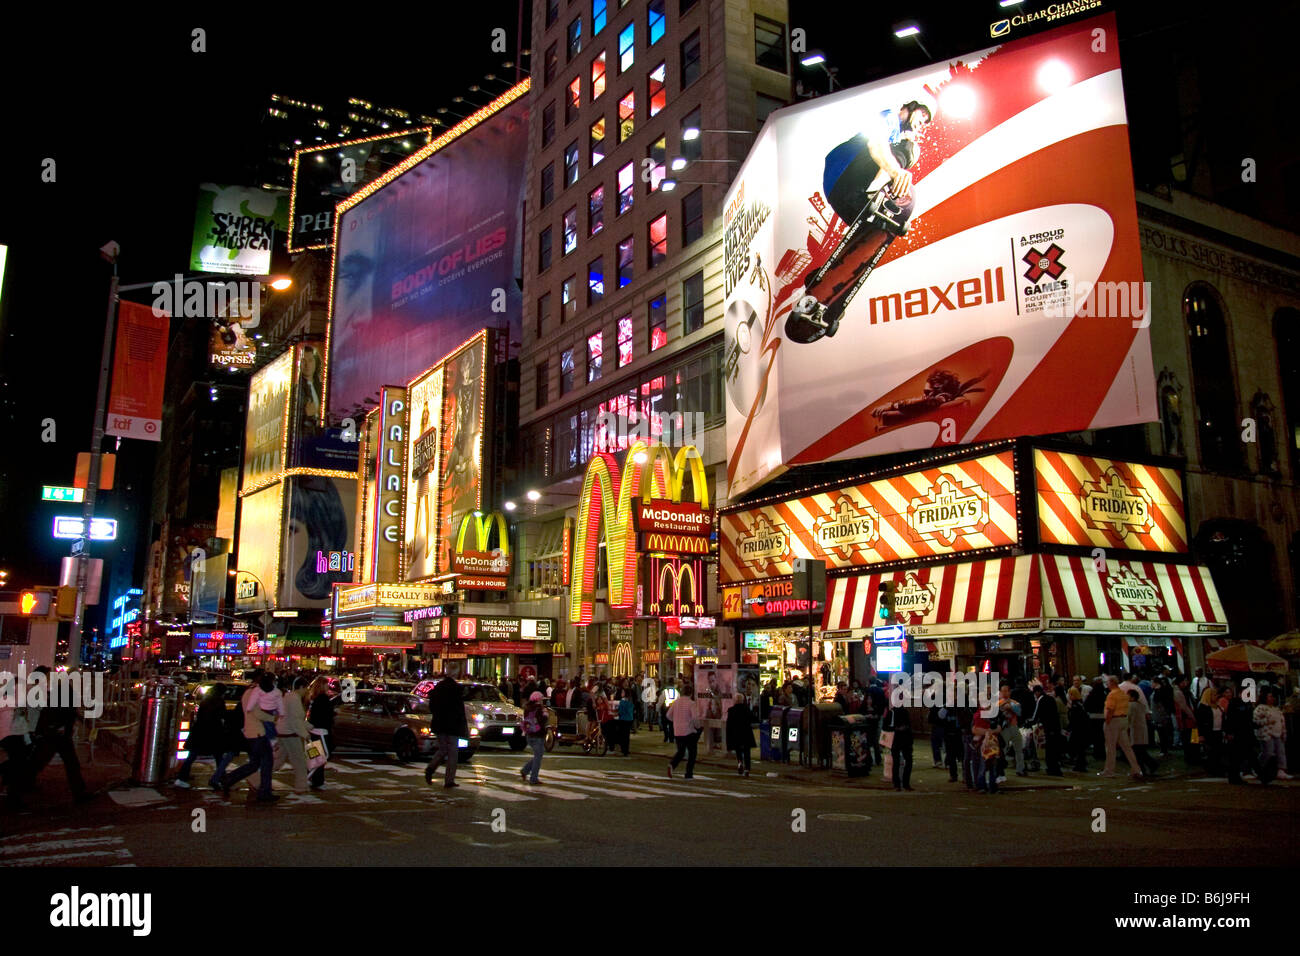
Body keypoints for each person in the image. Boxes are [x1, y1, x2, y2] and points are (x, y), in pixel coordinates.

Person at [789, 95, 934, 337]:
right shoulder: (888, 118)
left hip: (844, 198)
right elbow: (876, 146)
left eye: (927, 122)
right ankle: (873, 195)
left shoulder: (899, 136)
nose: (923, 123)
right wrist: (896, 171)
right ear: (907, 108)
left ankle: (822, 285)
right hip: (847, 177)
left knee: (865, 239)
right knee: (910, 151)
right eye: (922, 115)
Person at [221, 672, 281, 803]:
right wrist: (273, 718)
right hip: (258, 733)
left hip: (251, 732)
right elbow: (258, 713)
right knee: (266, 762)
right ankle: (264, 792)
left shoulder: (249, 692)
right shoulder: (255, 693)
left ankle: (229, 779)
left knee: (255, 764)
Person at [174, 683, 233, 790]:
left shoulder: (207, 700)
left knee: (194, 755)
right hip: (211, 732)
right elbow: (222, 715)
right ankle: (220, 778)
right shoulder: (218, 701)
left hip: (200, 731)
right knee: (218, 755)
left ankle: (182, 777)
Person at [424, 673, 468, 789]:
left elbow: (432, 707)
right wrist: (463, 727)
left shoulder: (438, 689)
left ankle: (431, 768)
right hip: (452, 725)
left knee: (443, 749)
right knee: (453, 752)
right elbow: (460, 711)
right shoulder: (456, 690)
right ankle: (449, 780)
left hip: (439, 724)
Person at [270, 677, 312, 794]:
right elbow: (296, 720)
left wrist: (308, 727)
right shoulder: (294, 699)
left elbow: (293, 718)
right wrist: (306, 733)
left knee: (278, 760)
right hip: (290, 734)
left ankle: (257, 778)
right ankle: (301, 786)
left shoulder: (288, 697)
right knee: (299, 762)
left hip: (283, 731)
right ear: (301, 687)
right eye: (306, 689)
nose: (307, 692)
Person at [1101, 676, 1142, 780]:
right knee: (1127, 747)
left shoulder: (1112, 695)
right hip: (1123, 720)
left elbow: (1110, 709)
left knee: (1110, 747)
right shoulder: (1123, 694)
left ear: (1111, 683)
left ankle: (1109, 770)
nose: (1107, 684)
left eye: (1107, 682)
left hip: (1113, 720)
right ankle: (1136, 769)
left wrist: (1107, 721)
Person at [306, 676, 334, 791]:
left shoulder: (313, 699)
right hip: (321, 731)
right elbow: (327, 716)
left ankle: (314, 778)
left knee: (315, 756)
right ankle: (315, 779)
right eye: (327, 684)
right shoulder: (323, 699)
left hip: (313, 731)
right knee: (322, 757)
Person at [1254, 690, 1290, 780]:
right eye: (1269, 697)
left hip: (1278, 733)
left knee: (1280, 752)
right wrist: (1267, 721)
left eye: (1272, 697)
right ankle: (1258, 767)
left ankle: (1281, 770)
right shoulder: (1260, 708)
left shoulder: (1276, 709)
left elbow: (1282, 721)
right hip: (1267, 733)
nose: (1272, 699)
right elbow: (1256, 721)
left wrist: (1284, 732)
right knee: (1268, 752)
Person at [667, 685, 700, 779]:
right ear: (691, 693)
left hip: (677, 731)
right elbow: (694, 718)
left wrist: (676, 721)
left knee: (681, 751)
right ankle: (689, 773)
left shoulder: (676, 702)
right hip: (689, 731)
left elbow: (668, 715)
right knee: (692, 753)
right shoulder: (691, 703)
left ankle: (672, 765)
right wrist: (697, 726)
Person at [1030, 684, 1063, 776]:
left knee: (1049, 749)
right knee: (1055, 748)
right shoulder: (1051, 699)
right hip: (1056, 726)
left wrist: (1030, 722)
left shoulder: (1041, 700)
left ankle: (1051, 769)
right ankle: (1056, 768)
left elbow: (1036, 715)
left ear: (1037, 692)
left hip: (1048, 727)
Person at [996, 683, 1025, 780]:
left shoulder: (1014, 702)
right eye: (1002, 691)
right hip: (1004, 729)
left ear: (1009, 692)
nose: (1004, 693)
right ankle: (1000, 770)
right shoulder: (998, 703)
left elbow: (1019, 712)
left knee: (1019, 749)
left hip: (1014, 726)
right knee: (1002, 749)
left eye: (1006, 691)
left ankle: (1020, 769)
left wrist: (1010, 707)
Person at [1127, 689, 1159, 777]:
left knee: (1138, 752)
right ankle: (1145, 767)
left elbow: (1128, 718)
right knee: (1140, 751)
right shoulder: (1141, 705)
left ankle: (1143, 768)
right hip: (1142, 730)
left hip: (1135, 730)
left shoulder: (1130, 705)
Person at [519, 692, 549, 785]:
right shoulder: (539, 709)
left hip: (529, 734)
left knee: (537, 756)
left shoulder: (527, 708)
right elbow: (542, 721)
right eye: (541, 699)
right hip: (538, 735)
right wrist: (545, 714)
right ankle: (533, 778)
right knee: (538, 757)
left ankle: (525, 770)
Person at [883, 700, 914, 791]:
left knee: (896, 762)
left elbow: (885, 727)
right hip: (904, 739)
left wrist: (895, 729)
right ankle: (905, 783)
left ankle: (898, 784)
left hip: (896, 739)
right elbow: (908, 726)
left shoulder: (892, 712)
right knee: (907, 761)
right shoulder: (904, 712)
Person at [726, 694, 755, 777]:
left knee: (738, 751)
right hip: (746, 733)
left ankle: (740, 762)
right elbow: (753, 718)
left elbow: (729, 725)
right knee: (747, 752)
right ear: (742, 700)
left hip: (736, 734)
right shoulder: (746, 709)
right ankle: (747, 768)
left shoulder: (731, 710)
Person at [1067, 687, 1090, 772]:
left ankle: (1080, 765)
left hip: (1078, 730)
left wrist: (1069, 728)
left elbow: (1075, 719)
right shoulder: (1080, 704)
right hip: (1082, 729)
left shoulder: (1075, 706)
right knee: (1080, 749)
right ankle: (1081, 764)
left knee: (1078, 748)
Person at [615, 689, 634, 756]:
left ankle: (623, 749)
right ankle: (626, 749)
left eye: (623, 692)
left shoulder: (622, 701)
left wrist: (617, 713)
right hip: (629, 719)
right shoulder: (630, 701)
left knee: (622, 735)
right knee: (627, 735)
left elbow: (621, 711)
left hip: (623, 719)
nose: (621, 693)